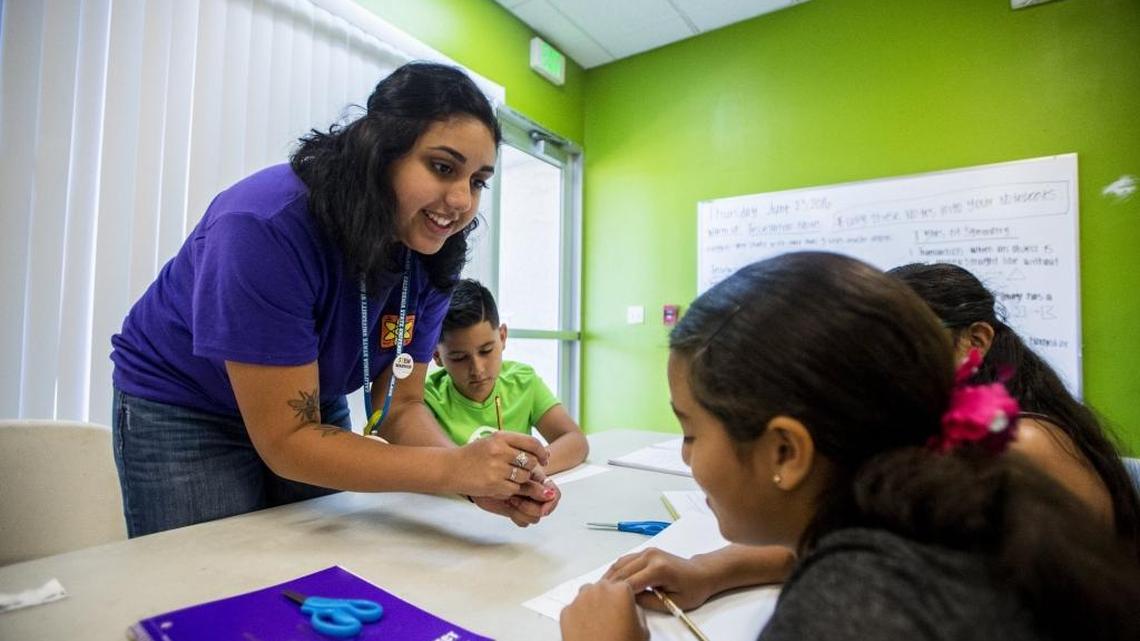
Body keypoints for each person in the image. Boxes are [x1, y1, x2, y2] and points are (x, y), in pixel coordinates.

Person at [560, 252, 1140, 641]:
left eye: (690, 432)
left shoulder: (849, 610)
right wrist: (721, 568)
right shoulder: (935, 507)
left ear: (787, 452)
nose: (686, 457)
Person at [110, 62, 558, 537]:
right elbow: (288, 441)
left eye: (478, 181)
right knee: (211, 578)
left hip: (309, 404)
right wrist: (453, 471)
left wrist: (473, 480)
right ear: (380, 151)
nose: (461, 201)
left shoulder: (433, 249)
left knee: (327, 567)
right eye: (442, 167)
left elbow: (400, 407)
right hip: (187, 403)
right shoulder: (264, 226)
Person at [889, 262, 1140, 544]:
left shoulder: (1024, 442)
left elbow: (1085, 573)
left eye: (907, 338)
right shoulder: (928, 428)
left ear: (976, 341)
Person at [424, 279, 589, 474]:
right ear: (436, 355)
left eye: (486, 351)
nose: (477, 369)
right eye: (459, 358)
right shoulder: (425, 400)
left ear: (502, 337)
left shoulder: (523, 381)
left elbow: (575, 440)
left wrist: (528, 469)